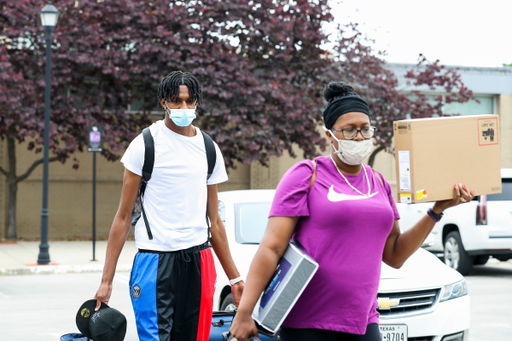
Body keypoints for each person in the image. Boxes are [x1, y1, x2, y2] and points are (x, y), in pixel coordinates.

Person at [229, 81, 475, 341]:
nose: (359, 137)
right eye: (349, 130)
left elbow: (394, 255)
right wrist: (245, 312)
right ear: (329, 135)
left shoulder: (379, 182)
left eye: (365, 129)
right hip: (307, 321)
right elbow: (272, 247)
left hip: (363, 320)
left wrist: (436, 211)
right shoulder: (306, 175)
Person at [94, 71, 244, 341]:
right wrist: (106, 281)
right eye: (176, 101)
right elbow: (123, 216)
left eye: (190, 102)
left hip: (199, 259)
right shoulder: (145, 145)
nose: (184, 108)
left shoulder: (209, 148)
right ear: (164, 102)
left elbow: (216, 223)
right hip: (155, 259)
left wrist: (234, 279)